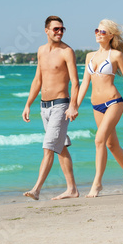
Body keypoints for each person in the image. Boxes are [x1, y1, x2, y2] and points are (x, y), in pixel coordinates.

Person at [76, 19, 123, 198]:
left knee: (99, 140)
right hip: (96, 105)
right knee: (111, 144)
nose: (99, 33)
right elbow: (84, 83)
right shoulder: (89, 56)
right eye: (97, 30)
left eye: (103, 32)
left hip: (114, 102)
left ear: (111, 36)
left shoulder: (115, 55)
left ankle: (97, 184)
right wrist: (74, 105)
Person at [22, 15, 80, 200]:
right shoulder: (41, 51)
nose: (59, 32)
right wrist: (28, 104)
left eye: (62, 29)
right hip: (44, 106)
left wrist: (73, 106)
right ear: (46, 30)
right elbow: (37, 79)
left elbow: (75, 82)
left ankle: (36, 190)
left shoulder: (67, 51)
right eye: (56, 29)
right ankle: (72, 189)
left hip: (61, 106)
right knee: (60, 147)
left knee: (48, 148)